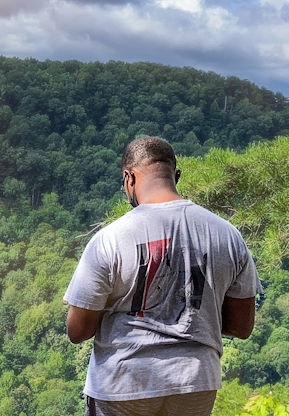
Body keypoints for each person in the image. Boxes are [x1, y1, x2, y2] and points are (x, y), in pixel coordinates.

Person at [63, 136, 261, 416]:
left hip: (123, 383)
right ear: (176, 175)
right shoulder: (227, 236)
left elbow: (77, 331)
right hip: (194, 382)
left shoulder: (110, 239)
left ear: (129, 178)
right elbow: (241, 327)